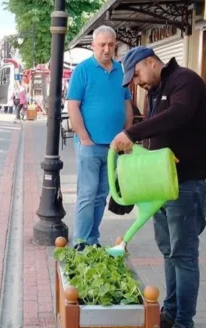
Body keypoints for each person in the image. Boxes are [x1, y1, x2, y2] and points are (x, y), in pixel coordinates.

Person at [111, 46, 206, 328]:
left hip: (189, 183)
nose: (138, 82)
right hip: (163, 185)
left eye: (138, 75)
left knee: (183, 255)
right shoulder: (155, 90)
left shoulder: (186, 82)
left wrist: (132, 132)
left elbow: (178, 116)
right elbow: (158, 135)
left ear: (151, 62)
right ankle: (171, 311)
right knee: (169, 250)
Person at [66, 25, 133, 250]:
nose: (106, 49)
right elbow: (73, 105)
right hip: (90, 145)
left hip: (114, 146)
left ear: (115, 46)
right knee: (87, 194)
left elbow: (126, 103)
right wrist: (84, 137)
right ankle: (81, 241)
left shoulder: (121, 70)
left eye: (110, 45)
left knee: (102, 195)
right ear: (93, 46)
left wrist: (128, 133)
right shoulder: (83, 70)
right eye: (102, 44)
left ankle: (92, 239)